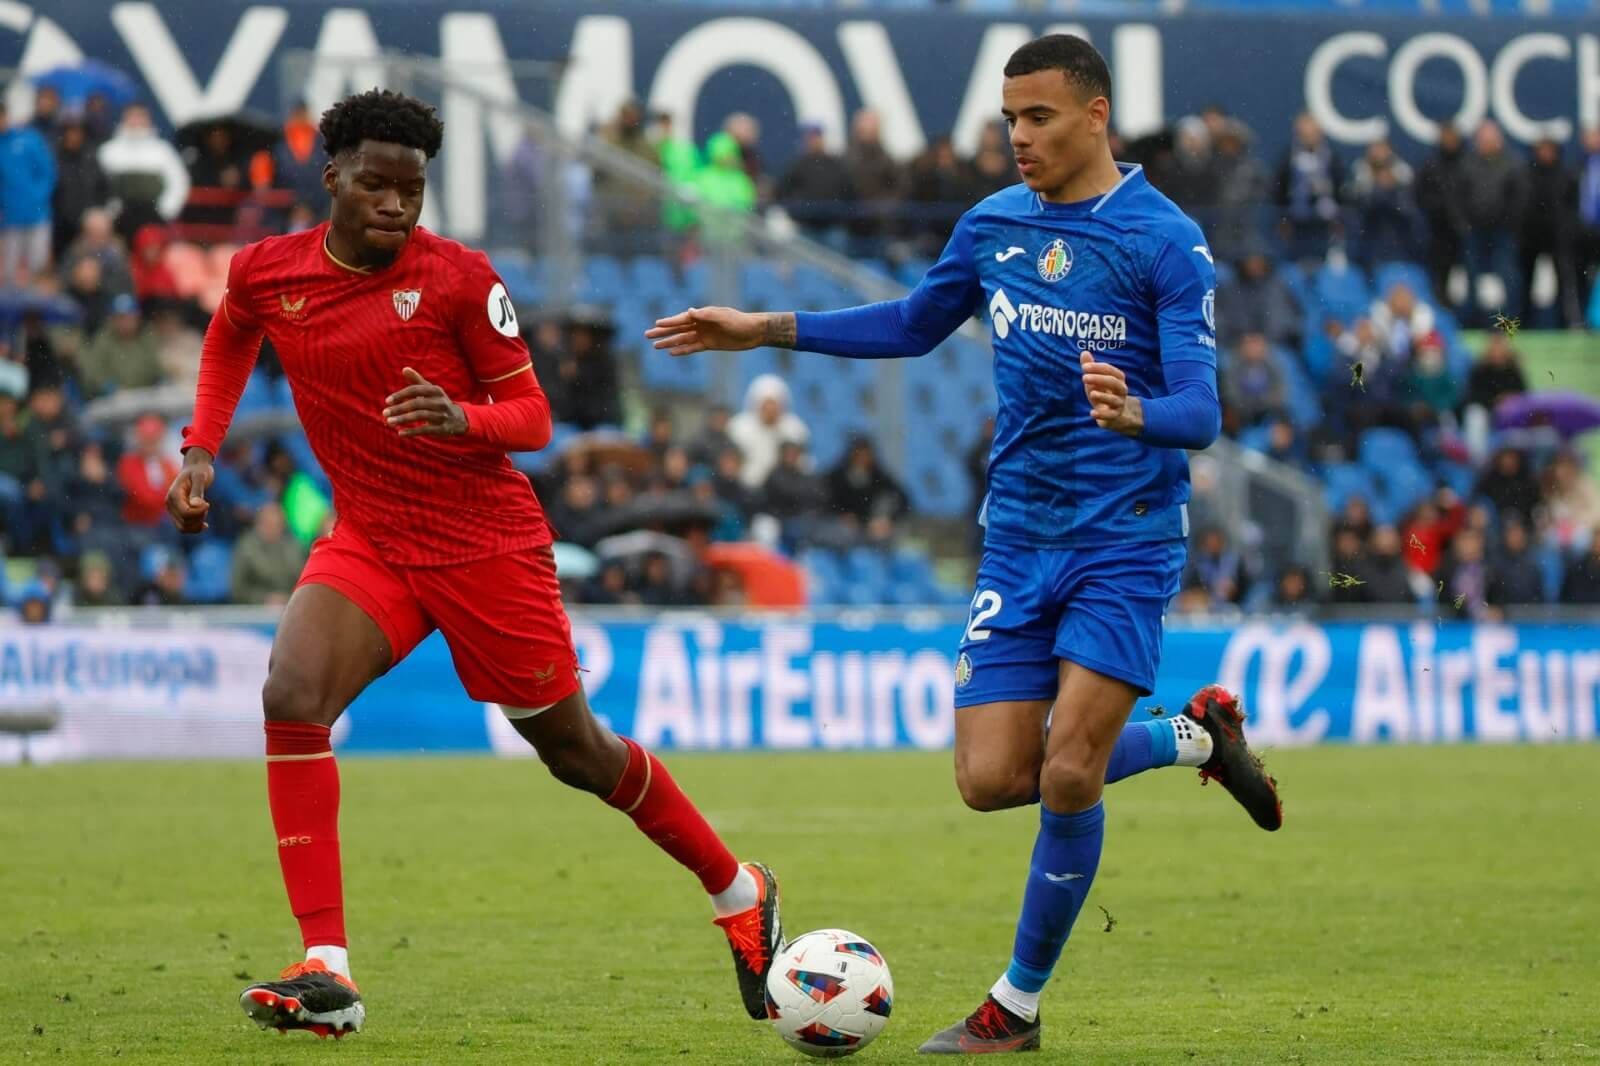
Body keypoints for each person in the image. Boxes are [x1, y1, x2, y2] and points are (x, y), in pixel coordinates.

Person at [650, 35, 1281, 1054]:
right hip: (1017, 533)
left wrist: (1139, 416)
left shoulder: (1165, 239)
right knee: (992, 778)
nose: (1017, 137)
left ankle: (1013, 1010)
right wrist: (762, 327)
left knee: (1069, 771)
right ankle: (1194, 737)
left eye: (1037, 117)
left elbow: (1202, 411)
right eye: (1008, 120)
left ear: (1095, 115)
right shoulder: (991, 224)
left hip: (1123, 535)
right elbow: (911, 324)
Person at [165, 90, 781, 1041]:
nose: (396, 206)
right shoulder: (266, 271)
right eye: (375, 184)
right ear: (331, 178)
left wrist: (464, 420)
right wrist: (202, 444)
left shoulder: (458, 280)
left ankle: (737, 888)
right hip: (371, 535)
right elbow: (233, 331)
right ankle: (326, 966)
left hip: (484, 541)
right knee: (292, 694)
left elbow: (532, 419)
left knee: (575, 752)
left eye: (412, 190)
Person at [0, 101, 58, 287]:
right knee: (9, 271)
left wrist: (37, 199)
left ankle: (36, 313)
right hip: (9, 218)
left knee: (37, 269)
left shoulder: (29, 139)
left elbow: (48, 172)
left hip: (37, 215)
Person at [230, 502, 309, 605]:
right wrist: (263, 599)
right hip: (254, 611)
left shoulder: (295, 547)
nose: (273, 529)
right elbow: (238, 588)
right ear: (259, 524)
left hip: (290, 606)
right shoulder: (247, 548)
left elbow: (305, 583)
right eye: (268, 524)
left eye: (277, 524)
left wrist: (288, 598)